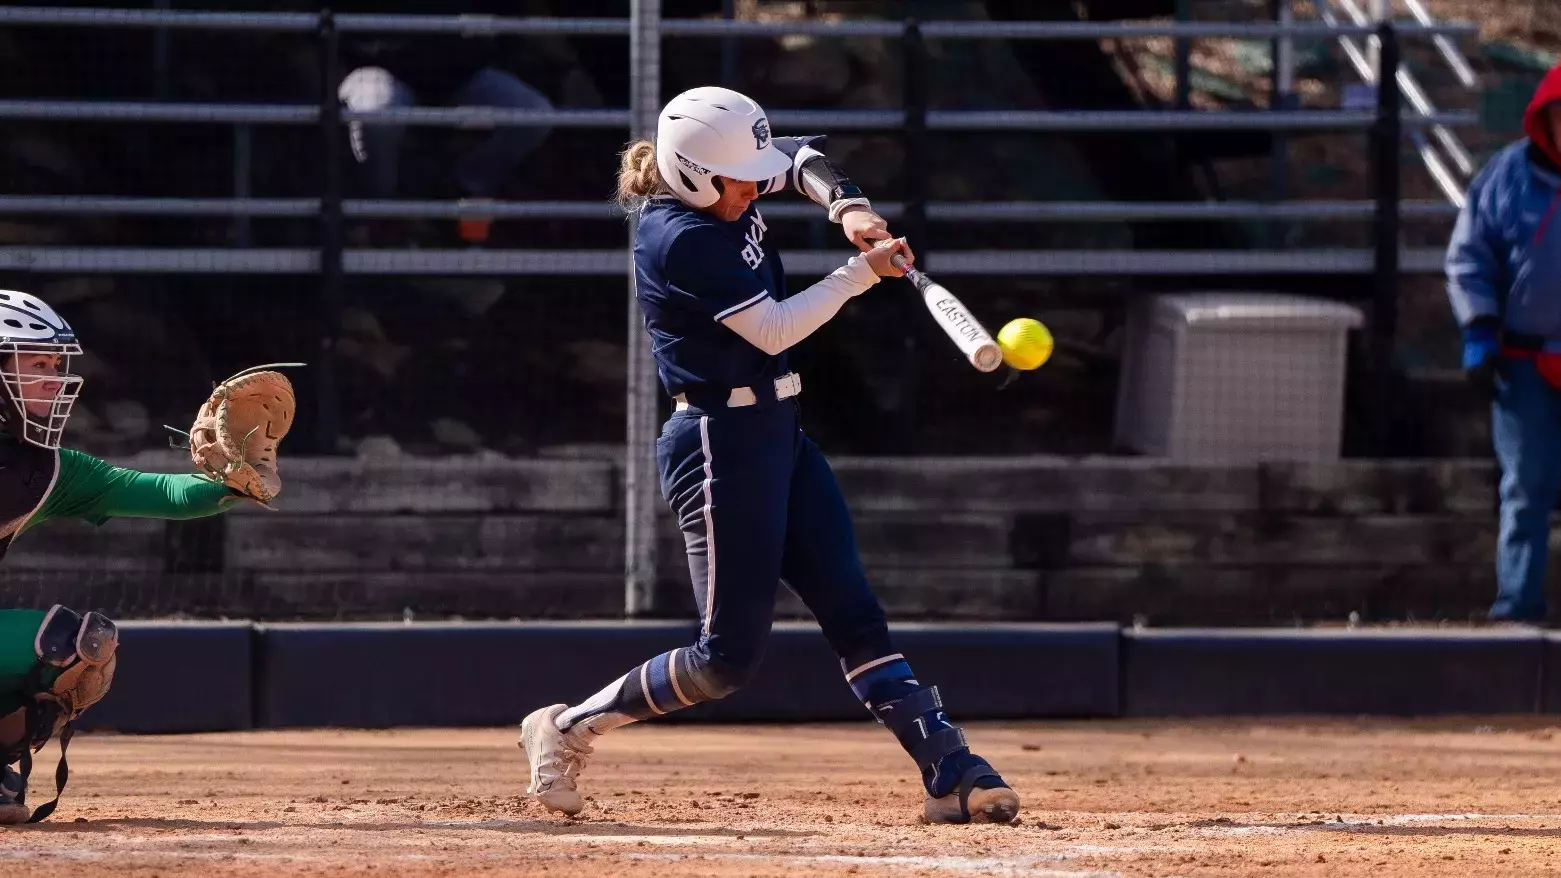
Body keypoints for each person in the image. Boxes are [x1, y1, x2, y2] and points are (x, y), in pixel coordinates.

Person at [517, 87, 1022, 826]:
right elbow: (775, 329)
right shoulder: (676, 238)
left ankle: (952, 768)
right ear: (691, 174)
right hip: (718, 446)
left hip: (776, 430)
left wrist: (846, 205)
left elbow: (803, 159)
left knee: (853, 609)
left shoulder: (725, 174)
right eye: (738, 181)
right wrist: (861, 273)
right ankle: (563, 730)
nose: (753, 189)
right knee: (724, 662)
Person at [0, 290, 294, 823]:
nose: (52, 378)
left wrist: (234, 482)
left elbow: (159, 491)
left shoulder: (43, 471)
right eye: (34, 363)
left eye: (54, 364)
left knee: (78, 646)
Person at [1446, 61, 1561, 624]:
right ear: (1546, 119)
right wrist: (1479, 331)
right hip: (1522, 362)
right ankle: (1517, 610)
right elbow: (1471, 255)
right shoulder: (1507, 175)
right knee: (1527, 486)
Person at [336, 0, 554, 245]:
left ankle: (463, 186)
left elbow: (509, 23)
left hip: (459, 75)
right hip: (378, 70)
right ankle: (384, 207)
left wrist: (483, 40)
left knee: (534, 113)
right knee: (379, 114)